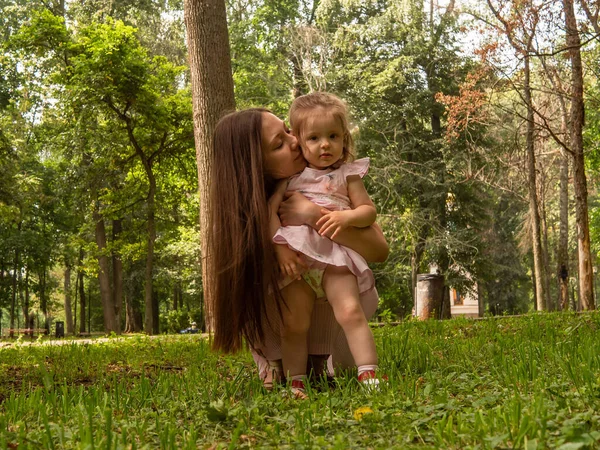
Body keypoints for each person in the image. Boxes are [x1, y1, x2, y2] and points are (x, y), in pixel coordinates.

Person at [207, 107, 388, 396]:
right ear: (254, 166)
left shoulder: (329, 177)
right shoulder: (241, 219)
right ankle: (284, 365)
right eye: (279, 144)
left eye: (288, 131)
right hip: (288, 313)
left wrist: (313, 215)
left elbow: (379, 250)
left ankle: (325, 358)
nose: (296, 141)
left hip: (336, 301)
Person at [268, 92, 381, 395]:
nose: (325, 145)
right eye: (314, 138)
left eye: (333, 136)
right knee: (295, 323)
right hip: (299, 261)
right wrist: (280, 250)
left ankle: (368, 374)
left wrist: (348, 219)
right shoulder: (290, 179)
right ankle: (295, 381)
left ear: (344, 138)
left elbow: (368, 211)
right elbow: (270, 214)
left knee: (350, 312)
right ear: (300, 142)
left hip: (335, 258)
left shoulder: (349, 174)